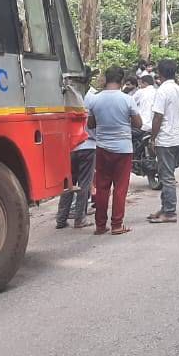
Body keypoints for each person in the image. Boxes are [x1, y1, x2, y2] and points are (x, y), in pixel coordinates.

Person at [86, 66, 142, 235]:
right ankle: (117, 224)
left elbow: (90, 124)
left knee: (102, 187)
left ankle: (100, 225)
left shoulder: (95, 100)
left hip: (102, 148)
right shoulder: (127, 100)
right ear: (122, 81)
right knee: (120, 187)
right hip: (123, 149)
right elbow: (138, 124)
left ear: (105, 79)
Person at [146, 60, 179, 224]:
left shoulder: (162, 91)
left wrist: (153, 138)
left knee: (167, 176)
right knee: (165, 174)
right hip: (178, 136)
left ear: (159, 74)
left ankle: (169, 211)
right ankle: (164, 208)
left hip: (166, 138)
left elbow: (158, 116)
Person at [56, 90, 97, 230]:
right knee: (84, 183)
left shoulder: (65, 97)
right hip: (88, 145)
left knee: (68, 183)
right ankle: (80, 218)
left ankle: (61, 219)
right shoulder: (92, 98)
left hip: (69, 146)